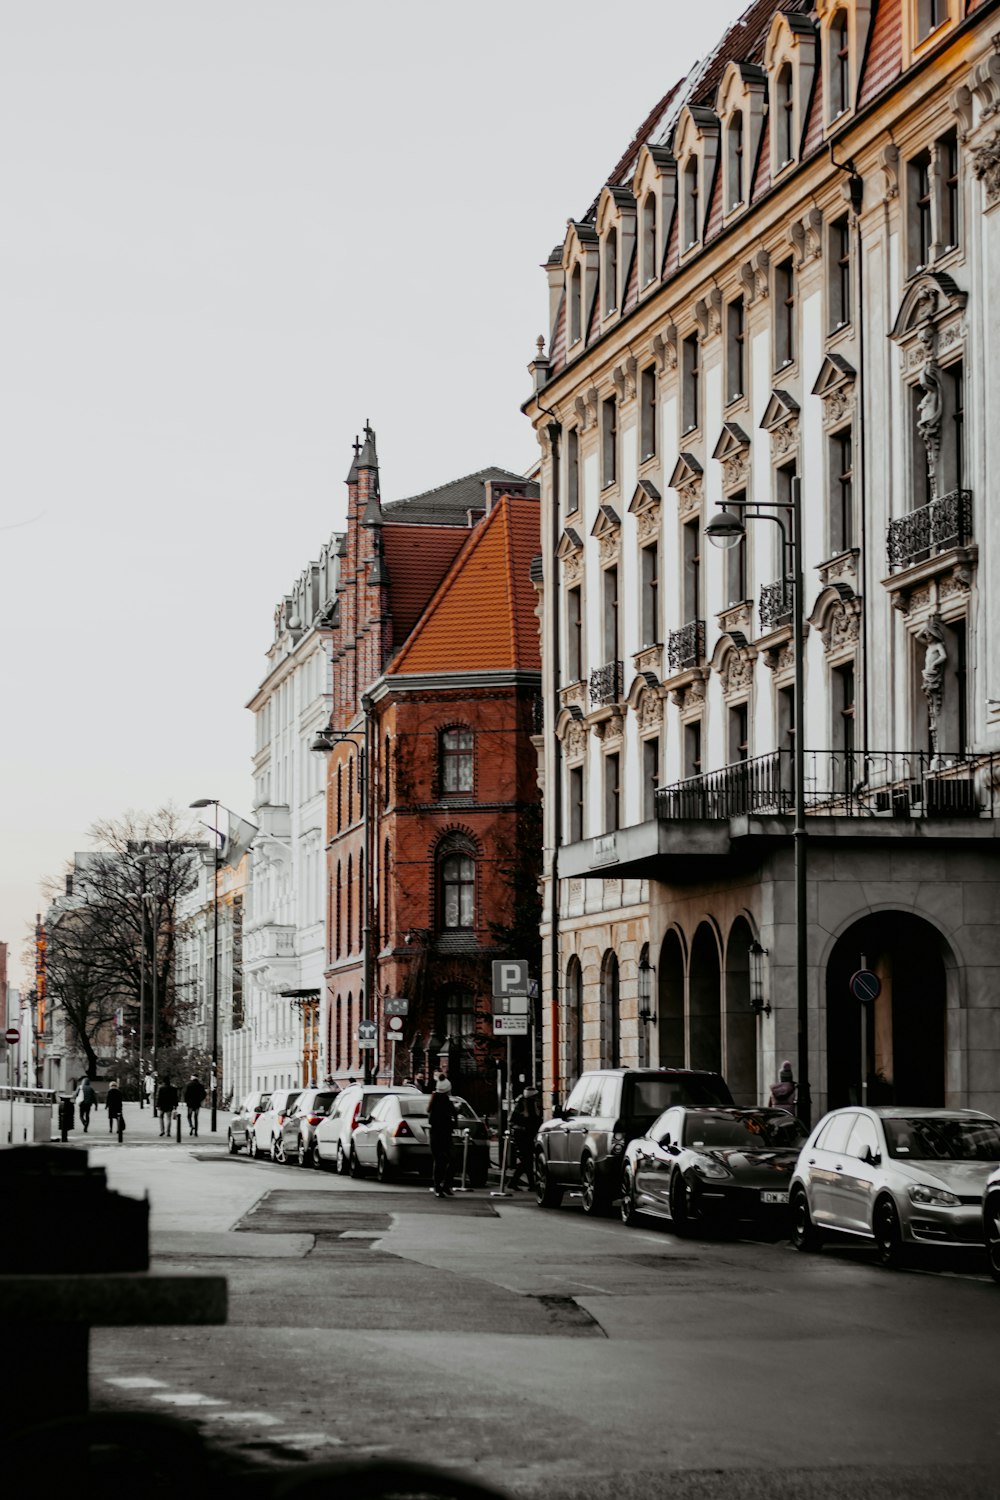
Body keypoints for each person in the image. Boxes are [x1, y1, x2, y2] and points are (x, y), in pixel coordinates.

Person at [508, 1086, 541, 1191]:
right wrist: (522, 1128)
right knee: (527, 1160)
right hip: (522, 1136)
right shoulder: (521, 1105)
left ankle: (516, 1182)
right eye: (535, 1096)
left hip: (529, 1135)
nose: (537, 1098)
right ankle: (528, 1184)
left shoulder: (533, 1104)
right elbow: (511, 1121)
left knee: (528, 1160)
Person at [427, 1076, 456, 1198]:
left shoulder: (437, 1101)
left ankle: (440, 1186)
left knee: (441, 1161)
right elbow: (449, 1119)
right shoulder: (443, 1102)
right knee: (447, 1161)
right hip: (441, 1136)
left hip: (438, 1135)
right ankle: (441, 1186)